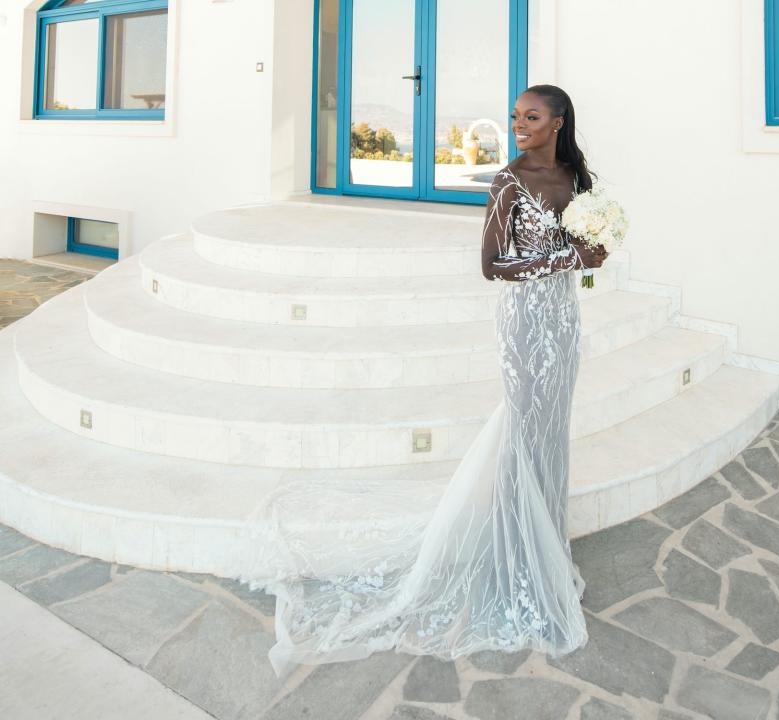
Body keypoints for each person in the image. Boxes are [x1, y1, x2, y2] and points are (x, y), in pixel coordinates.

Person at [237, 84, 608, 679]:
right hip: (523, 322)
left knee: (549, 432)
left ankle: (545, 553)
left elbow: (588, 245)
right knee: (522, 427)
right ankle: (516, 562)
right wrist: (567, 259)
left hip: (564, 320)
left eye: (531, 116)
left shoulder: (576, 176)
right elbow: (491, 266)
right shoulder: (508, 181)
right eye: (514, 116)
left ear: (558, 122)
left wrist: (592, 250)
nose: (519, 124)